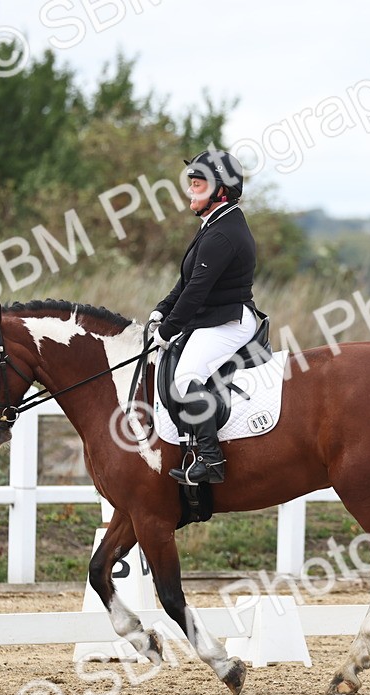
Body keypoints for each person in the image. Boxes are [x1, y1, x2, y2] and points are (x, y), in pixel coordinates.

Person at [149, 148, 260, 485]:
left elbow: (196, 290)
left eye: (197, 184)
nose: (190, 190)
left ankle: (211, 461)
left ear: (220, 190)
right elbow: (186, 282)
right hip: (214, 317)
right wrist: (161, 309)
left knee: (185, 378)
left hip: (228, 322)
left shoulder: (223, 233)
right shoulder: (216, 223)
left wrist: (168, 330)